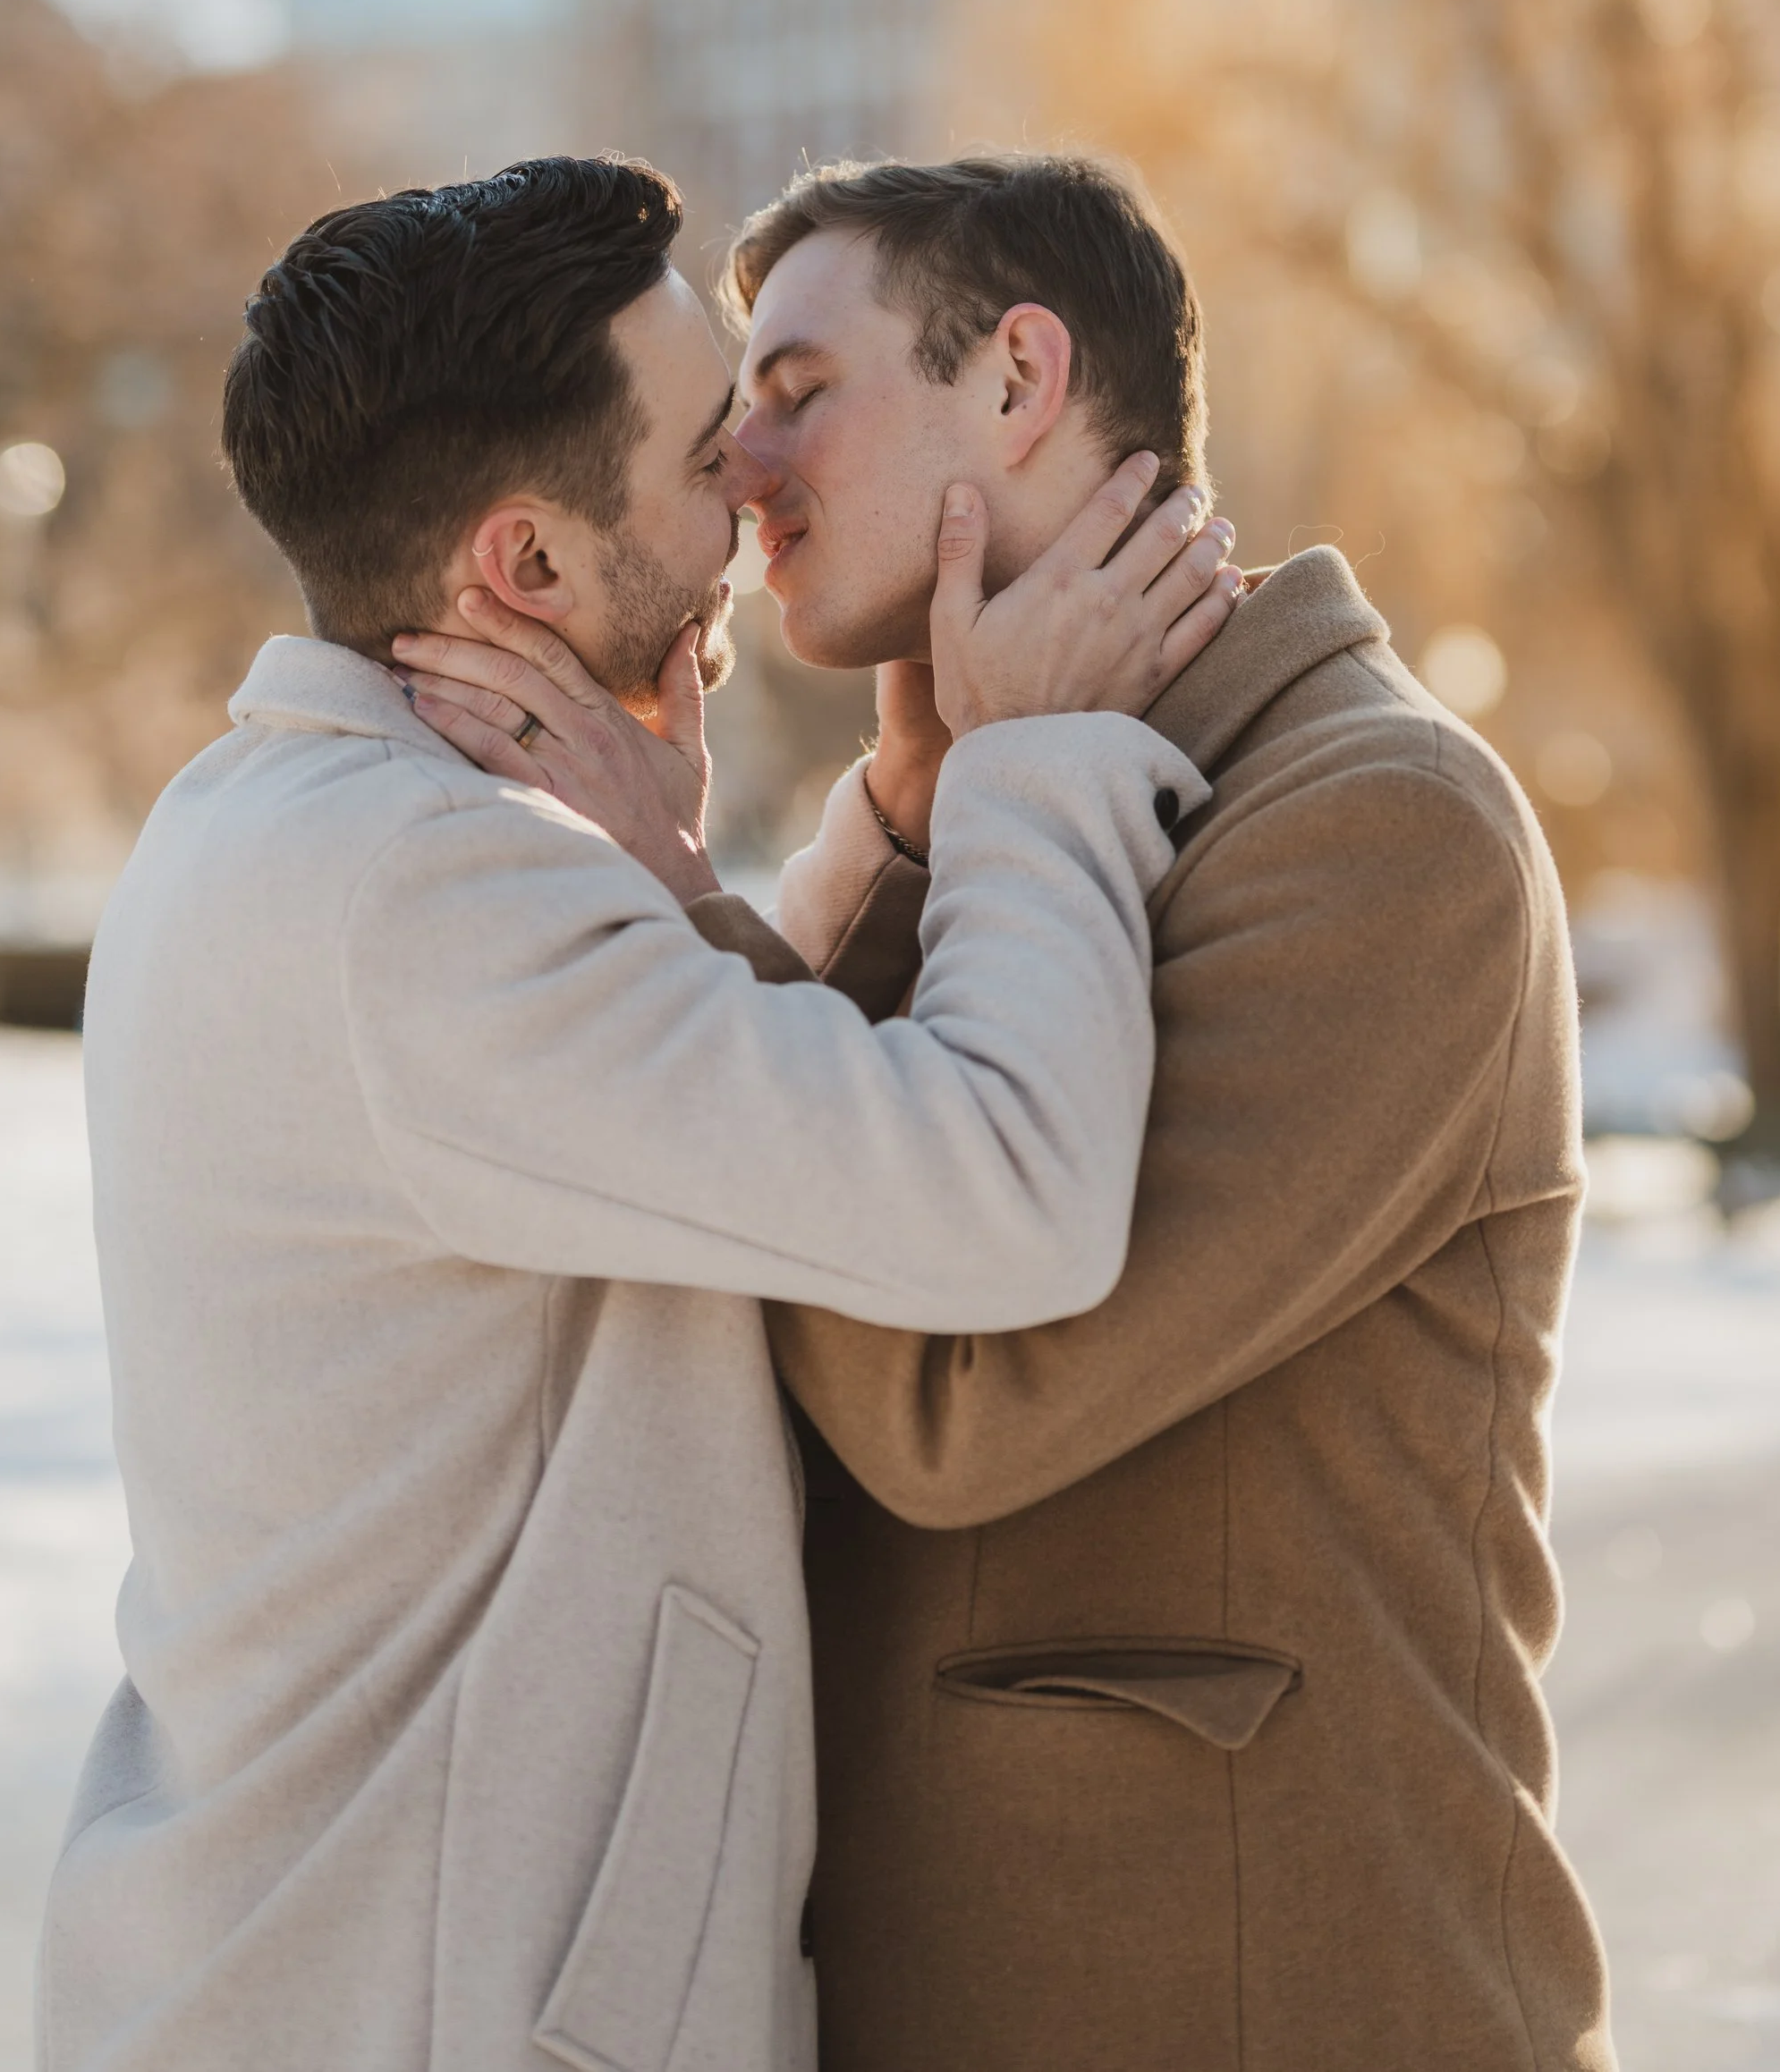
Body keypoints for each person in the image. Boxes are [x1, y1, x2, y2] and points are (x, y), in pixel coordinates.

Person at [415, 152, 1615, 2072]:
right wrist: (905, 839)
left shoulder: (1382, 828)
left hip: (1254, 2003)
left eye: (798, 391)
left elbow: (958, 1399)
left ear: (1021, 378)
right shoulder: (975, 799)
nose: (740, 467)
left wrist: (687, 912)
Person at [38, 156, 1235, 2072]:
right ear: (522, 567)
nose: (759, 481)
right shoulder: (423, 899)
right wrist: (1039, 765)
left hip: (335, 1974)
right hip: (429, 2009)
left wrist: (846, 836)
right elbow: (1005, 1189)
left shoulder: (278, 823)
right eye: (704, 450)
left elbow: (703, 1119)